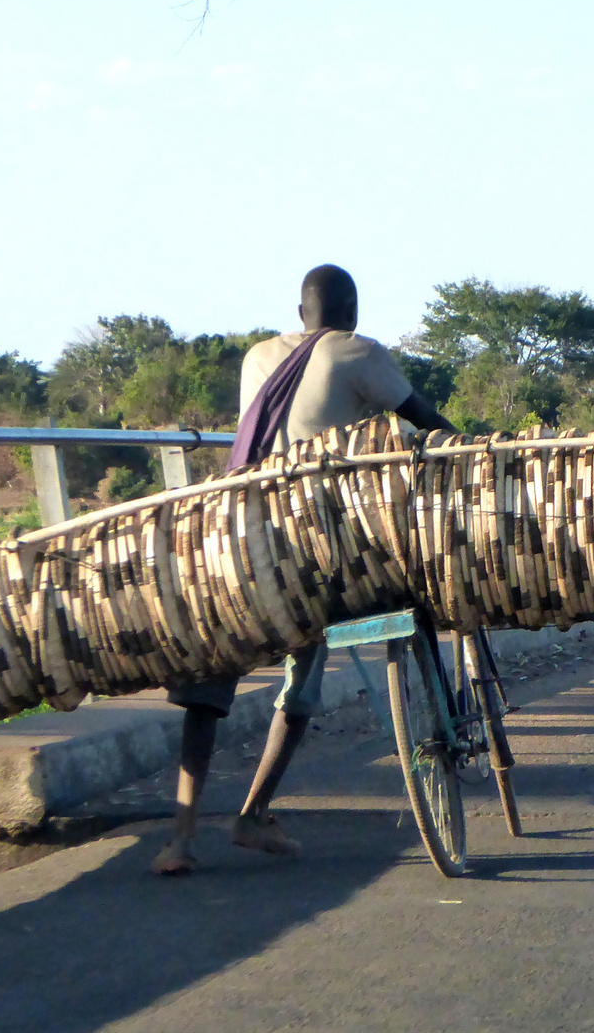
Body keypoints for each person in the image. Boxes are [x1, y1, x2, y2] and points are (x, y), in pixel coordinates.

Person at [152, 264, 457, 876]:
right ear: (353, 313)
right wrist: (468, 444)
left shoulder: (257, 356)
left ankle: (179, 838)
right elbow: (420, 415)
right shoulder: (358, 351)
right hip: (311, 548)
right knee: (302, 677)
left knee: (210, 683)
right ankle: (254, 811)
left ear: (300, 315)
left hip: (238, 534)